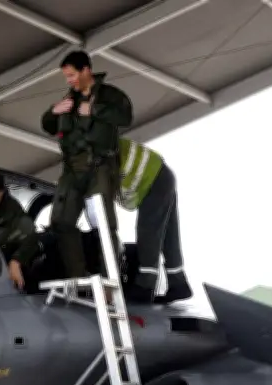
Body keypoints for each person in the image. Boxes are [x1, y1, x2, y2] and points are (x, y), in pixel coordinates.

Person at [41, 50, 133, 282]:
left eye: (72, 75)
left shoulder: (109, 95)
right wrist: (53, 111)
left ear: (86, 70)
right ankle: (77, 277)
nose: (69, 80)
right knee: (61, 222)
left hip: (99, 167)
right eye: (66, 76)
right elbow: (48, 125)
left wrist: (94, 110)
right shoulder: (67, 100)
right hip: (71, 169)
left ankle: (111, 279)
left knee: (103, 224)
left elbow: (126, 117)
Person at [116, 137, 193, 304]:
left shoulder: (95, 147)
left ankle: (145, 286)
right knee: (168, 235)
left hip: (152, 178)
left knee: (149, 230)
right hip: (160, 174)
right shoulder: (96, 140)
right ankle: (179, 283)